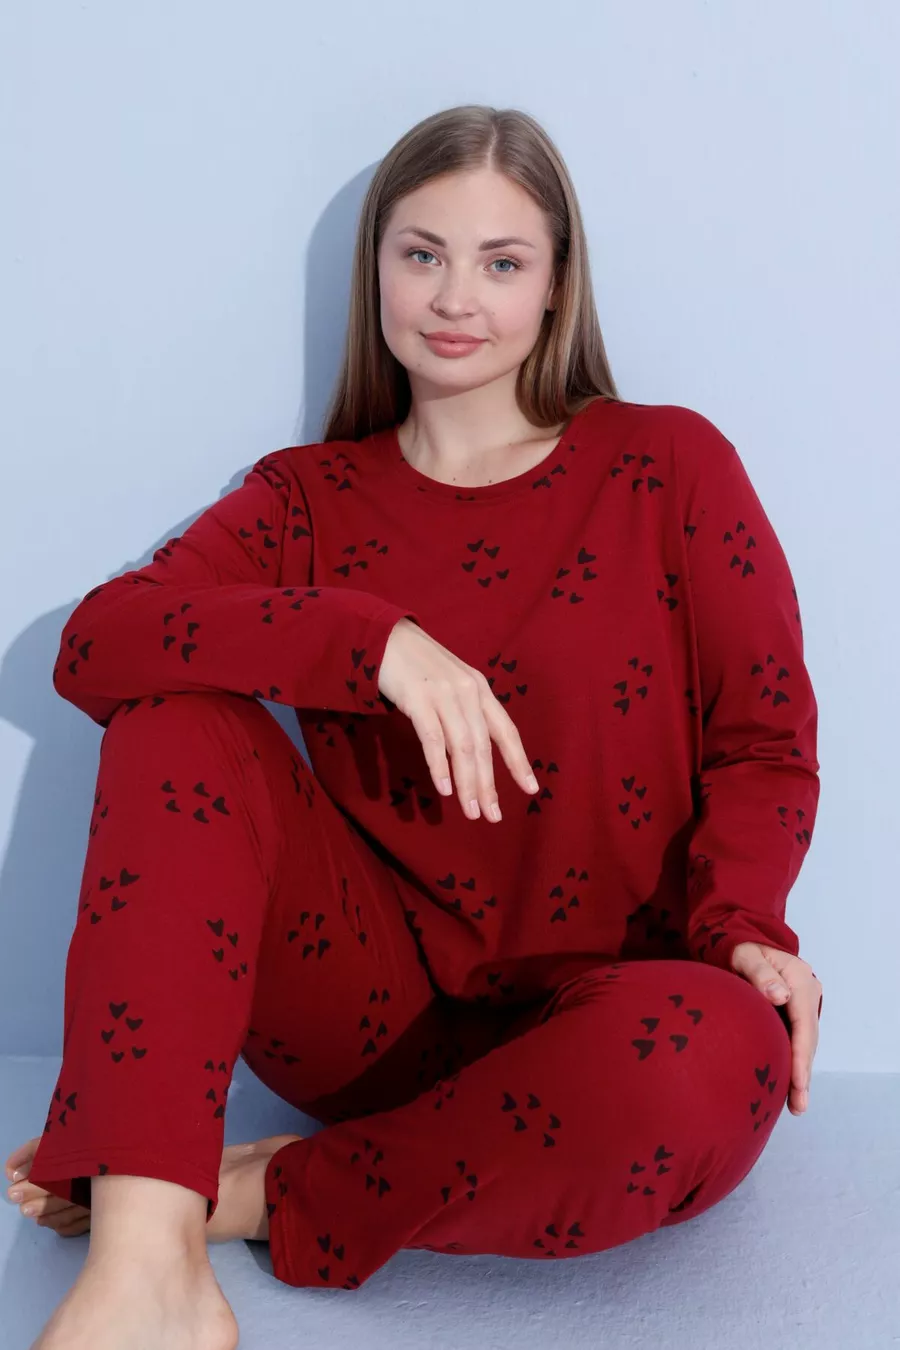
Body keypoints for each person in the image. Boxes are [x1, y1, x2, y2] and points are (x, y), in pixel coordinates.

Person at [6, 103, 823, 1350]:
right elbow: (98, 643)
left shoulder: (668, 466)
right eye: (423, 254)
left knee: (717, 1052)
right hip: (368, 1028)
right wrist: (367, 639)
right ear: (376, 269)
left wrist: (745, 927)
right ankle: (143, 1268)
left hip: (615, 1023)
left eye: (502, 262)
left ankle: (251, 1192)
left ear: (555, 288)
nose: (455, 298)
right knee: (173, 712)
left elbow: (763, 739)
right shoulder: (304, 498)